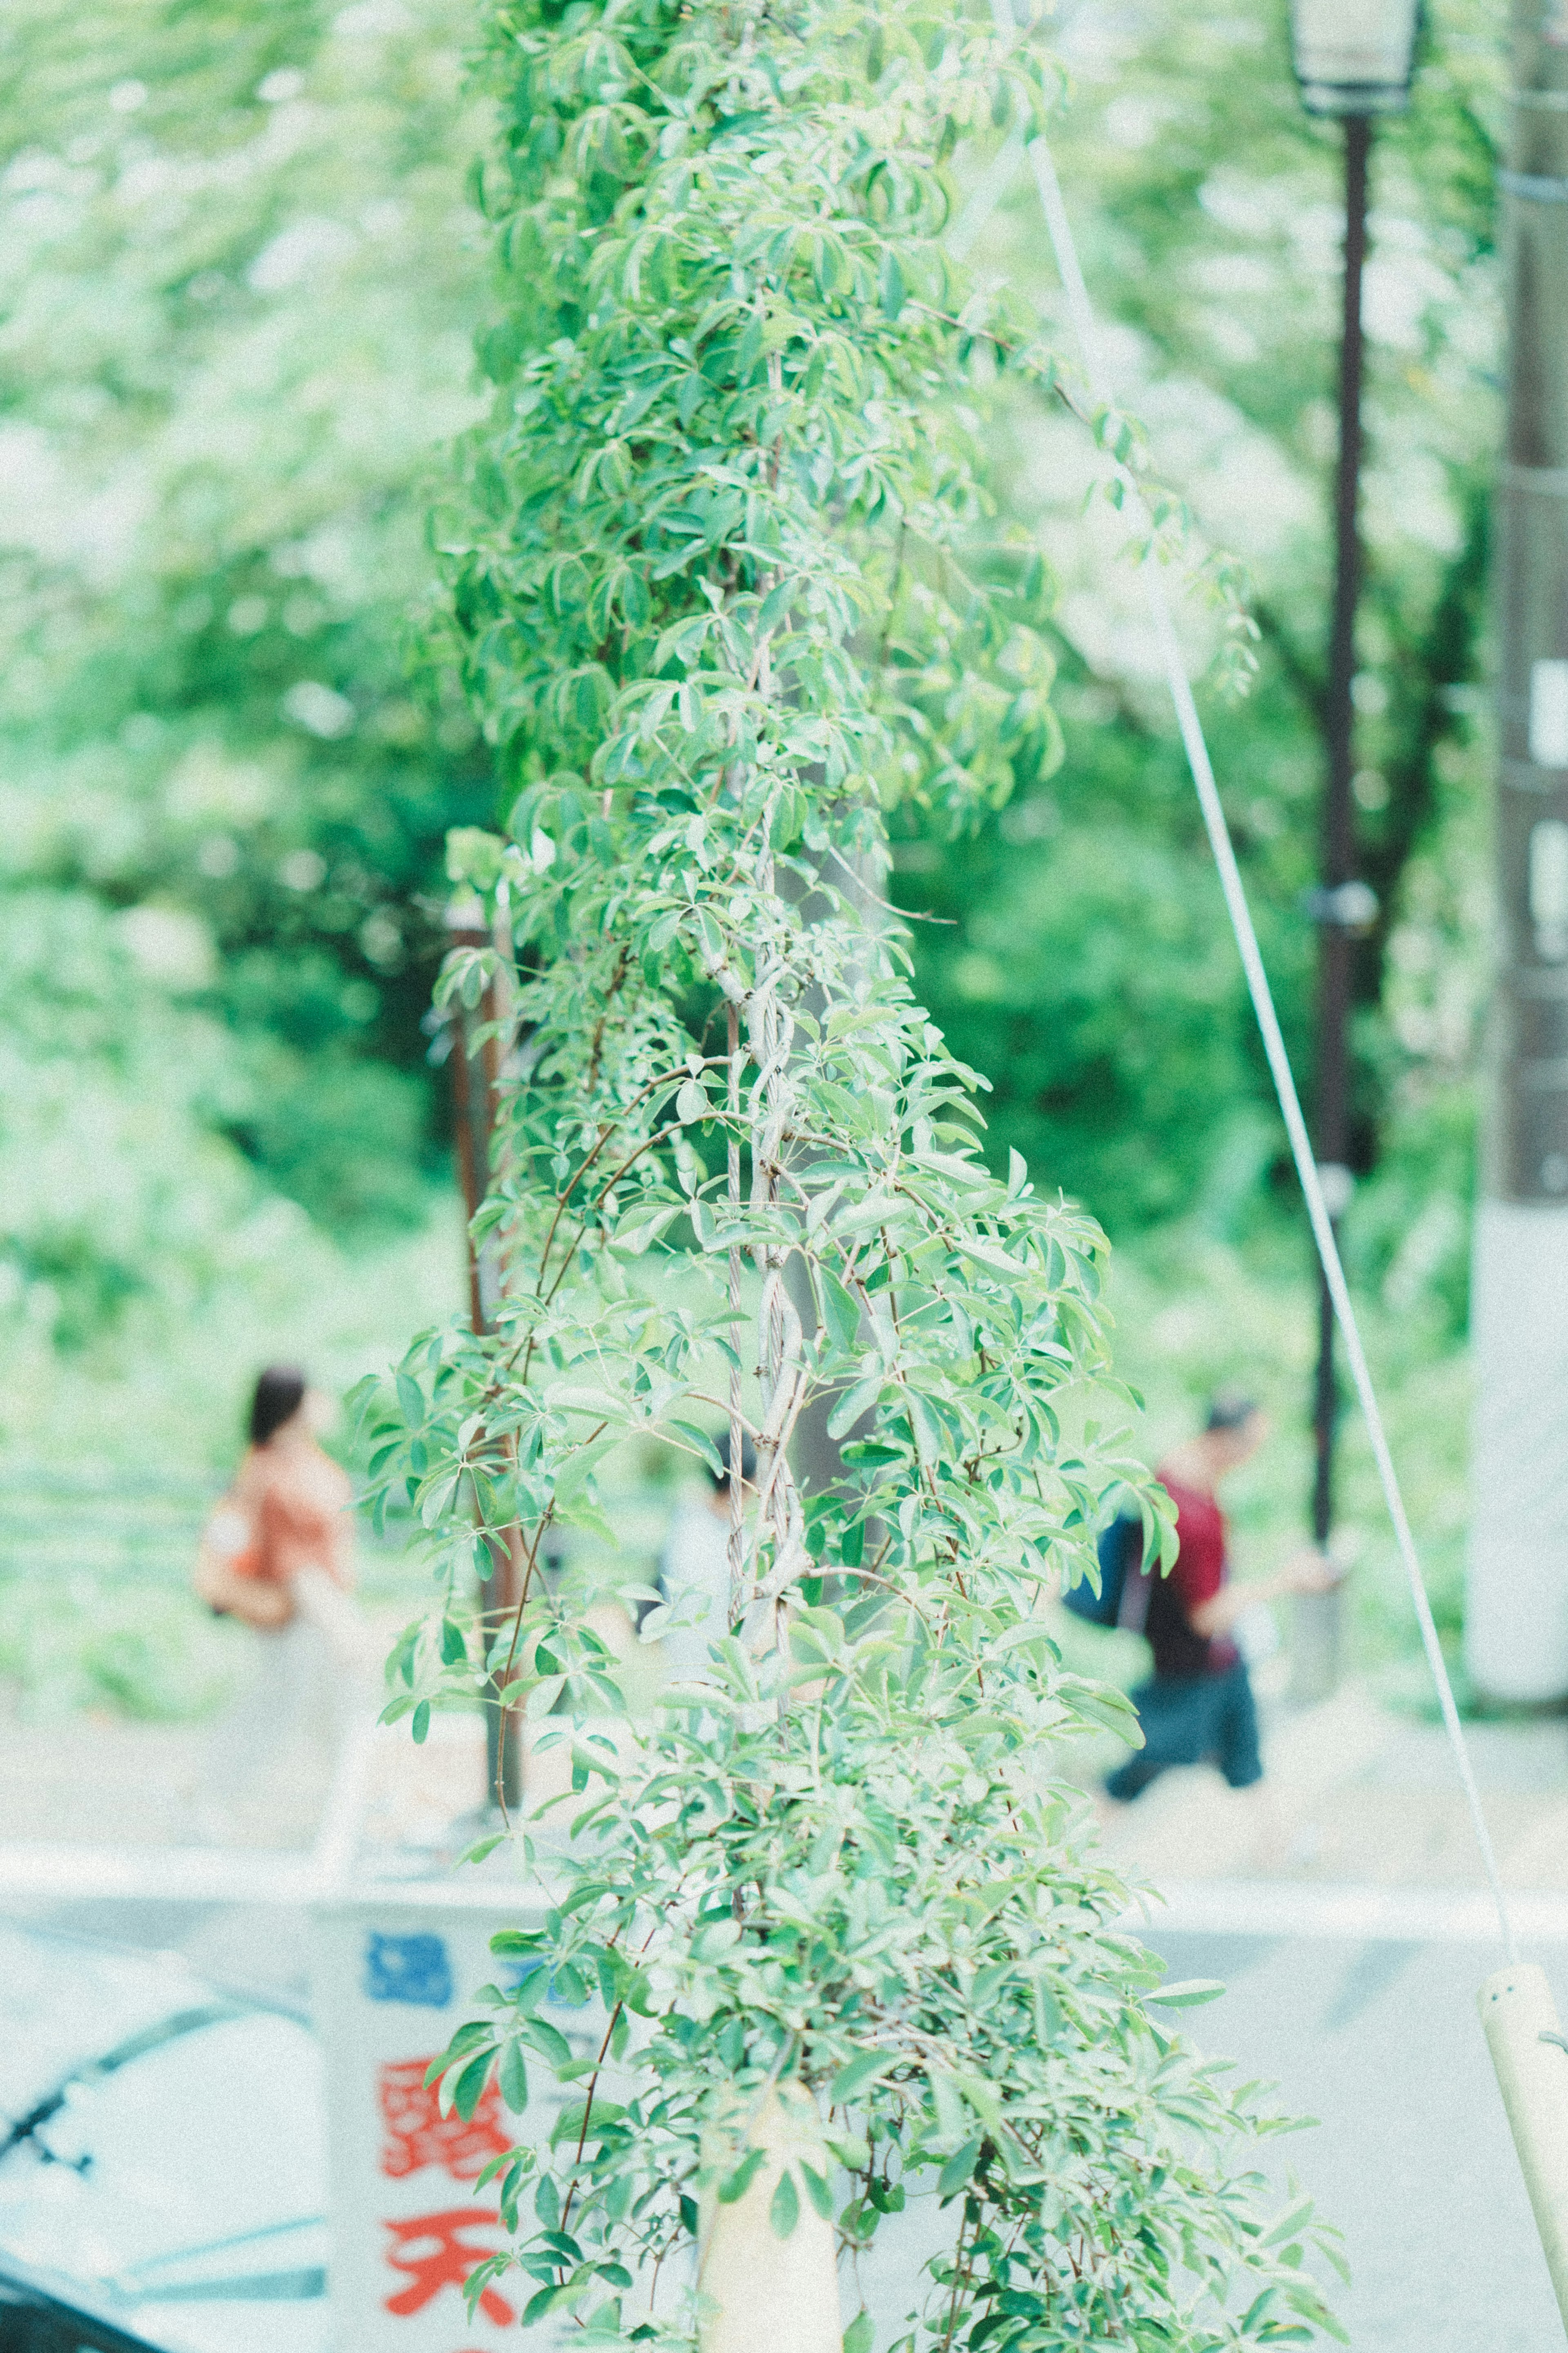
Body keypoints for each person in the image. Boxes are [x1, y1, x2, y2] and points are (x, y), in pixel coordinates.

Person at [1104, 1394, 1338, 1805]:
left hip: (1219, 1663)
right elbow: (1206, 1616)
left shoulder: (1175, 1474)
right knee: (1131, 1780)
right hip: (1191, 1670)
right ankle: (1065, 1857)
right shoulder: (1188, 1514)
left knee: (1248, 1770)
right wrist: (1286, 1579)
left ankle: (1286, 1850)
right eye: (1249, 1447)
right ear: (1223, 1440)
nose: (1250, 1458)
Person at [193, 1365, 363, 1840]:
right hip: (304, 1619)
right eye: (315, 1392)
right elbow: (298, 1566)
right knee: (283, 1714)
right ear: (296, 1404)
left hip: (304, 1617)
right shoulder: (283, 1474)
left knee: (312, 1713)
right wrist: (342, 1625)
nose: (326, 1400)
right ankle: (211, 1799)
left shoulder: (281, 1463)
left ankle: (344, 1810)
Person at [655, 1433, 756, 1679]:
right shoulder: (743, 1546)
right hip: (725, 1676)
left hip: (680, 1673)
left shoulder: (685, 1521)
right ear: (753, 1481)